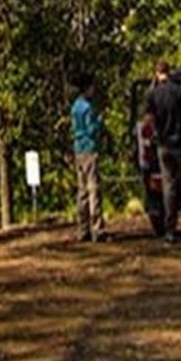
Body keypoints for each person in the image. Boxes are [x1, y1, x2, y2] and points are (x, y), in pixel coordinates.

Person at [144, 60, 181, 243]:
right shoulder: (179, 91)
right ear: (169, 71)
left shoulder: (153, 94)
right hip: (179, 144)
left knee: (169, 188)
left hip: (163, 145)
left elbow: (149, 119)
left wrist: (156, 134)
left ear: (156, 73)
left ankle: (170, 232)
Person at [70, 72, 105, 242]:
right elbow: (92, 130)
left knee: (82, 191)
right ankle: (97, 228)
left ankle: (82, 229)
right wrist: (99, 121)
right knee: (94, 189)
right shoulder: (88, 108)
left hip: (78, 149)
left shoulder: (75, 106)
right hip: (90, 149)